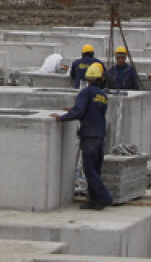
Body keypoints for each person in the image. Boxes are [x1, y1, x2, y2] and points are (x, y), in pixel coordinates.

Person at [55, 62, 114, 210]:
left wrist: (62, 117)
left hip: (89, 135)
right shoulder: (103, 95)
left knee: (89, 170)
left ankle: (105, 198)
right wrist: (74, 109)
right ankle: (94, 201)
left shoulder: (85, 93)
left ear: (87, 79)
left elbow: (80, 112)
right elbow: (93, 110)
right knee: (96, 169)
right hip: (100, 135)